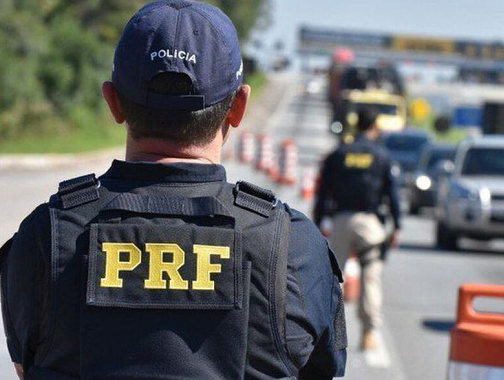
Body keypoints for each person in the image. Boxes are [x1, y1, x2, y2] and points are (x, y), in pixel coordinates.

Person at [0, 1, 346, 379]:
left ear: (113, 102)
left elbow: (24, 367)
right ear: (239, 106)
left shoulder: (43, 235)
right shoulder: (293, 246)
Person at [313, 107, 402, 351]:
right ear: (375, 127)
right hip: (370, 224)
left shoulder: (339, 154)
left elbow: (323, 192)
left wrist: (319, 220)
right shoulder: (382, 156)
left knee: (332, 279)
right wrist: (398, 226)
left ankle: (324, 334)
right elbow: (392, 194)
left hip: (341, 220)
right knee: (371, 277)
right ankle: (369, 333)